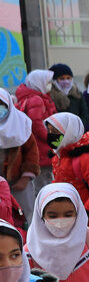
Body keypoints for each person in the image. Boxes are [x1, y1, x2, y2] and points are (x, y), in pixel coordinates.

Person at [44, 113, 89, 233]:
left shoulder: (86, 158)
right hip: (67, 221)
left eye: (55, 131)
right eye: (49, 131)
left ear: (69, 131)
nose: (51, 135)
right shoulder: (58, 156)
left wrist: (84, 214)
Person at [15, 71, 57, 195]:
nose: (49, 85)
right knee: (44, 185)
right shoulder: (36, 100)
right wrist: (51, 139)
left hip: (37, 146)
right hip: (41, 148)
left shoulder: (29, 97)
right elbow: (37, 124)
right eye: (47, 82)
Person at [0, 87, 38, 224]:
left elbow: (31, 152)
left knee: (24, 216)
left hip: (18, 182)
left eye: (1, 105)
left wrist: (26, 178)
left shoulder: (21, 124)